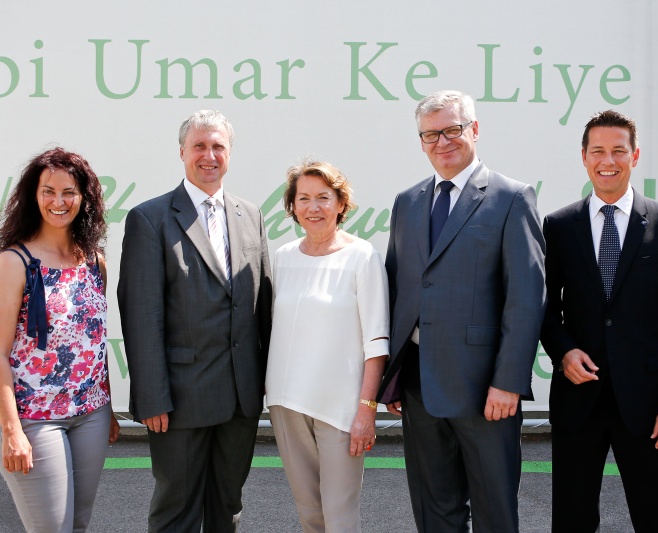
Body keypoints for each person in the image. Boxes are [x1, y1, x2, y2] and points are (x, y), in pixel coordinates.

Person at [376, 89, 547, 532]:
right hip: (418, 386)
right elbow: (399, 288)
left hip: (484, 389)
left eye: (452, 130)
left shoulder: (512, 197)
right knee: (435, 511)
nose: (442, 142)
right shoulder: (408, 201)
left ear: (474, 129)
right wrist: (392, 376)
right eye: (431, 134)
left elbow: (526, 298)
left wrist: (508, 382)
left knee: (494, 511)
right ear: (420, 141)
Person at [540, 110, 658, 532]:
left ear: (635, 155)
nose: (607, 160)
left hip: (648, 405)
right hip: (579, 398)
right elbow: (544, 307)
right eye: (598, 151)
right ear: (584, 157)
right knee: (572, 520)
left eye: (618, 150)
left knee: (657, 518)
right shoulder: (558, 225)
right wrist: (563, 350)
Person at [118, 110, 272, 532]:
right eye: (200, 146)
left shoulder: (250, 215)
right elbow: (141, 315)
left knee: (227, 506)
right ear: (182, 151)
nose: (209, 155)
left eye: (218, 146)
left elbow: (263, 308)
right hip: (179, 400)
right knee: (177, 511)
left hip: (240, 398)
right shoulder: (149, 218)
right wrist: (151, 397)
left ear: (230, 153)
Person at [265, 160, 389, 533]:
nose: (313, 207)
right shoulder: (283, 258)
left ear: (340, 203)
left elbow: (377, 342)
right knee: (310, 514)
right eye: (303, 198)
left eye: (323, 197)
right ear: (292, 206)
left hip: (340, 409)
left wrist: (366, 410)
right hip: (286, 404)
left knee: (340, 516)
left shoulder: (362, 256)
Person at [0, 147, 119, 532]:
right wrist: (11, 430)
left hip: (92, 415)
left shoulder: (94, 259)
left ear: (84, 198)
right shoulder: (13, 261)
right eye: (48, 191)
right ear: (33, 196)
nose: (58, 201)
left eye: (69, 192)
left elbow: (94, 343)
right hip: (35, 419)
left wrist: (109, 407)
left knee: (78, 525)